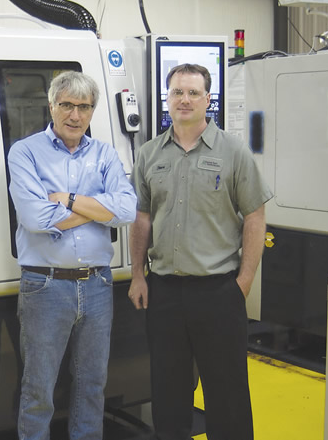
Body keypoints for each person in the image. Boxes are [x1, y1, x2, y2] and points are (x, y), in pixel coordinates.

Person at [128, 63, 273, 440]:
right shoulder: (149, 154)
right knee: (168, 392)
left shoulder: (234, 151)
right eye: (177, 92)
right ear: (168, 99)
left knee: (227, 396)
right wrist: (139, 275)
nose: (185, 99)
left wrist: (243, 282)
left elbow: (256, 217)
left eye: (193, 93)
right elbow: (142, 219)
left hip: (218, 291)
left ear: (208, 99)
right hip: (163, 293)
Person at [7, 70, 137, 440]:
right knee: (38, 390)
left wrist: (69, 199)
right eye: (66, 105)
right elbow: (34, 217)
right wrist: (99, 209)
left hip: (97, 284)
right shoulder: (25, 152)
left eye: (83, 107)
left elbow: (127, 211)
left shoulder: (105, 153)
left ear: (93, 111)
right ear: (52, 106)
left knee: (92, 386)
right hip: (45, 287)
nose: (75, 115)